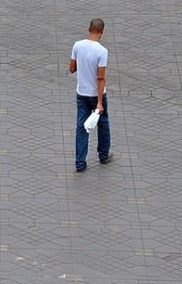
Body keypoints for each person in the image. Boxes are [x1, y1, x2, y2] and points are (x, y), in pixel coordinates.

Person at [69, 18, 113, 173]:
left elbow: (72, 68)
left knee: (81, 127)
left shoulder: (77, 45)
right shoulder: (102, 51)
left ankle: (80, 163)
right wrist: (100, 102)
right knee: (103, 122)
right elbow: (100, 78)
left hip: (81, 93)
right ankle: (103, 154)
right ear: (101, 33)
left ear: (89, 29)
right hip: (96, 95)